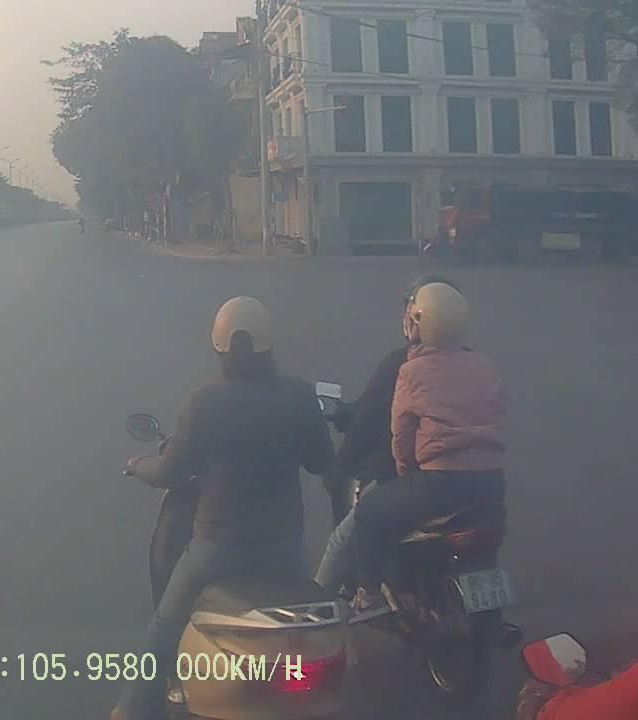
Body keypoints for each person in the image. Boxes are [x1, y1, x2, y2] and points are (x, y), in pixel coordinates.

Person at [111, 297, 335, 720]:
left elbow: (171, 471)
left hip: (216, 549)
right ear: (269, 346)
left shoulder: (205, 402)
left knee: (165, 626)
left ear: (219, 348)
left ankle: (131, 709)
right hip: (283, 548)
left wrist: (138, 465)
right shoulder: (299, 395)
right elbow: (323, 462)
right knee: (300, 631)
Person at [350, 282, 506, 617]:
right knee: (485, 550)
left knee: (368, 515)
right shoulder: (483, 364)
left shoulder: (411, 370)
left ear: (419, 322)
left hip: (439, 483)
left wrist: (405, 472)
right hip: (491, 481)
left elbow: (402, 434)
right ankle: (492, 620)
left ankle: (369, 595)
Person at [313, 274, 461, 593]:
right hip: (475, 483)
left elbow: (371, 425)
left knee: (344, 537)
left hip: (419, 482)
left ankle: (325, 605)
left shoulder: (402, 366)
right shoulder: (475, 363)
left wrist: (338, 470)